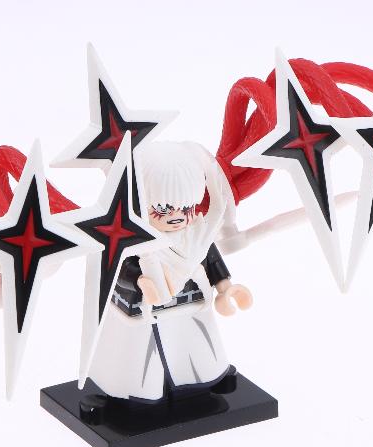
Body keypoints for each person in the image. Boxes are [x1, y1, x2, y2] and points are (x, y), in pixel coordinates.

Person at [86, 141, 252, 402]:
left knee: (196, 341)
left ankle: (205, 377)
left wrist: (225, 288)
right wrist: (141, 281)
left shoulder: (196, 234)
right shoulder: (131, 240)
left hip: (191, 302)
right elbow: (119, 268)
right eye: (163, 209)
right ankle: (137, 393)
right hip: (143, 308)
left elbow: (210, 258)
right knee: (140, 354)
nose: (177, 216)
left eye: (186, 208)